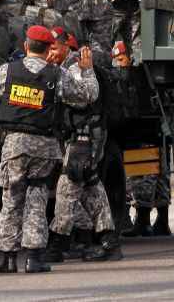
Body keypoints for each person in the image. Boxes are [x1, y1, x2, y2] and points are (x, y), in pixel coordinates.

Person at [0, 25, 99, 274]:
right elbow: (87, 96)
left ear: (26, 46)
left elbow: (1, 91)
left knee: (11, 200)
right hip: (44, 147)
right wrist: (88, 70)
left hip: (14, 145)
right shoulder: (57, 75)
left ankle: (8, 259)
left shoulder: (6, 71)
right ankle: (33, 258)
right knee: (36, 201)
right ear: (49, 48)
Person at [45, 29, 122, 263]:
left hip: (83, 139)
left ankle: (56, 245)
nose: (51, 53)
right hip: (80, 138)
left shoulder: (76, 70)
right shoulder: (69, 68)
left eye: (55, 48)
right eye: (48, 48)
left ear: (67, 47)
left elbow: (81, 98)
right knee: (92, 190)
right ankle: (110, 242)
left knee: (66, 191)